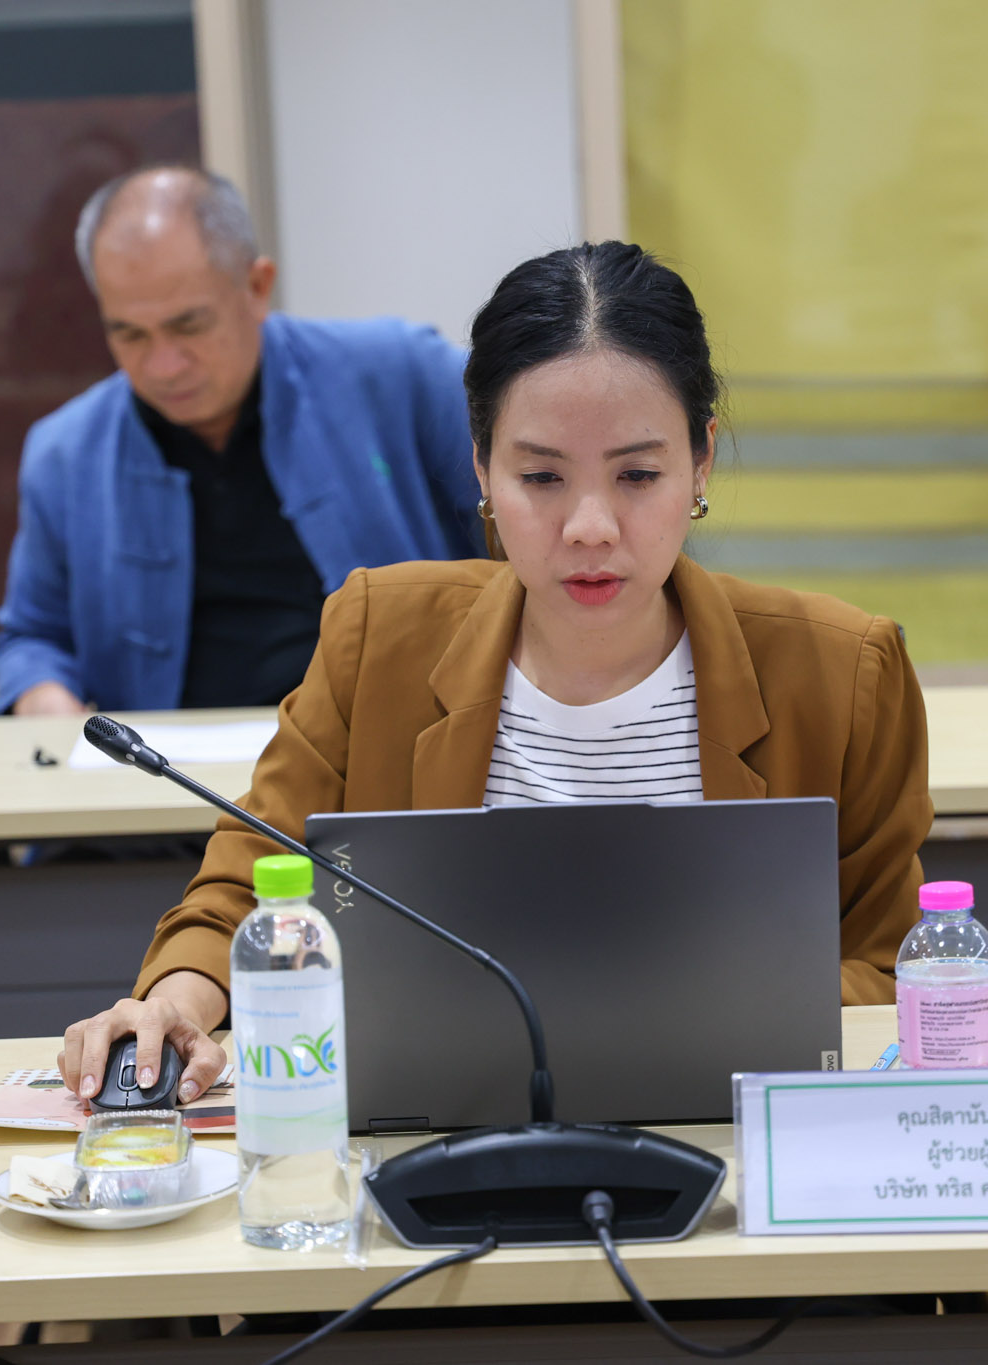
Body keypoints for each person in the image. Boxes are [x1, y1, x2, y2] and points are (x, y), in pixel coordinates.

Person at [58, 242, 933, 1106]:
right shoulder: (378, 638)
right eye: (541, 476)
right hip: (437, 1140)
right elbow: (247, 887)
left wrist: (681, 1012)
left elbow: (891, 967)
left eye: (637, 474)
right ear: (481, 465)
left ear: (701, 460)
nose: (590, 526)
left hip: (735, 1145)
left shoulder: (842, 673)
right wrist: (173, 1005)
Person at [0, 167, 485, 716]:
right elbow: (32, 638)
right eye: (129, 334)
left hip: (395, 744)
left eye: (189, 325)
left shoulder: (403, 375)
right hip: (167, 762)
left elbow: (528, 540)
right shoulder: (65, 454)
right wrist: (48, 704)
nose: (164, 366)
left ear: (256, 287)